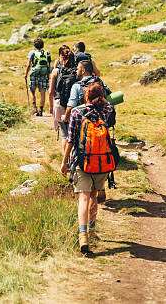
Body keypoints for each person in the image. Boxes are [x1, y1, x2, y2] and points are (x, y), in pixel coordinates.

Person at [60, 81, 116, 254]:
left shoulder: (77, 112)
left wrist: (64, 162)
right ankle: (92, 230)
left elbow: (70, 139)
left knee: (83, 198)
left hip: (82, 161)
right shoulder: (107, 110)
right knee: (93, 195)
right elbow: (110, 105)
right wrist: (102, 98)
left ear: (86, 96)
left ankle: (83, 236)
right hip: (101, 161)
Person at [61, 60, 110, 126]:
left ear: (83, 70)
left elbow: (70, 107)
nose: (76, 71)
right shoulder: (99, 83)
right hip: (100, 124)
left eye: (78, 69)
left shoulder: (77, 86)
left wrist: (65, 118)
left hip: (83, 123)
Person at [49, 46, 76, 152]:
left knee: (65, 135)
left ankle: (66, 161)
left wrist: (51, 106)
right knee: (74, 133)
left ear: (61, 58)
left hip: (59, 104)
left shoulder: (56, 71)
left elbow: (51, 92)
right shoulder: (76, 72)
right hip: (73, 106)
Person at [25, 37, 51, 116]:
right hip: (44, 73)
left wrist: (26, 74)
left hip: (34, 73)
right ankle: (41, 110)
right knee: (42, 92)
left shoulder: (32, 52)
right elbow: (49, 64)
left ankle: (34, 108)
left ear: (34, 45)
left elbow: (29, 64)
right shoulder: (46, 53)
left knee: (32, 91)